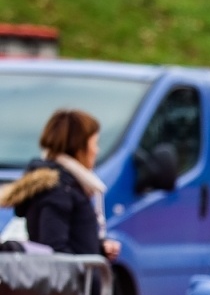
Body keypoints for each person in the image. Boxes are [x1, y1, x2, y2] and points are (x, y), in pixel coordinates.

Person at [0, 109, 121, 261]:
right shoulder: (59, 190)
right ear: (79, 148)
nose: (96, 150)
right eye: (94, 143)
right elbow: (55, 249)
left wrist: (99, 247)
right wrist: (87, 267)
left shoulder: (64, 185)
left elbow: (70, 241)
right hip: (73, 284)